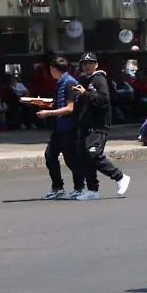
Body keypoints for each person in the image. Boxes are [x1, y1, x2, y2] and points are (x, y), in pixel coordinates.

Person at [72, 53, 131, 200]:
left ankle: (120, 177)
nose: (87, 66)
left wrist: (85, 93)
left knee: (93, 153)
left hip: (98, 125)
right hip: (85, 124)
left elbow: (103, 100)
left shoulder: (99, 79)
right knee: (84, 156)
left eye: (90, 63)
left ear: (96, 65)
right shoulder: (83, 80)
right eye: (84, 63)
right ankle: (92, 189)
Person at [35, 57, 85, 199]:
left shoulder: (69, 83)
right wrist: (43, 104)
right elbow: (59, 103)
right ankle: (58, 187)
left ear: (54, 69)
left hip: (69, 127)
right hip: (59, 127)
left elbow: (70, 108)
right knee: (50, 155)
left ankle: (80, 187)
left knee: (71, 159)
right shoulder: (60, 83)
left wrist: (48, 113)